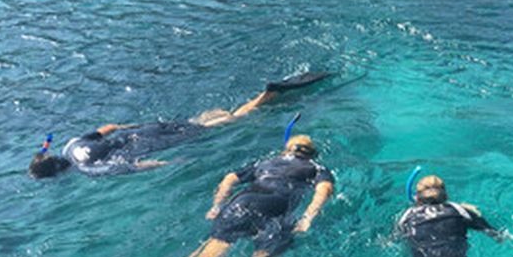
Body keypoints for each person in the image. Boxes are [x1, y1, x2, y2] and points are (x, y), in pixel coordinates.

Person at [28, 72, 331, 178]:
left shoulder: (87, 169)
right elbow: (109, 127)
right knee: (201, 120)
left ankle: (267, 96)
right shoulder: (72, 144)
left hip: (151, 143)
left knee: (229, 123)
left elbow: (134, 165)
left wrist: (169, 164)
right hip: (144, 130)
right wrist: (138, 125)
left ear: (57, 173)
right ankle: (261, 98)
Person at [164, 134, 334, 257]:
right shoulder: (315, 168)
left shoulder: (266, 162)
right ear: (312, 154)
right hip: (274, 207)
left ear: (286, 151)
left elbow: (230, 178)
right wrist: (307, 218)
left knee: (211, 252)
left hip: (241, 202)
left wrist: (217, 205)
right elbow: (325, 189)